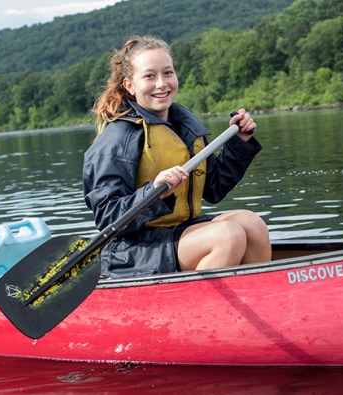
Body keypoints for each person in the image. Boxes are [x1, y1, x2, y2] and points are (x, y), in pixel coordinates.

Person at [83, 35, 271, 278]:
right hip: (130, 250)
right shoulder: (116, 139)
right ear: (130, 85)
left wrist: (239, 143)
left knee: (251, 224)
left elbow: (214, 188)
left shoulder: (183, 125)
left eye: (168, 73)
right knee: (228, 236)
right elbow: (108, 218)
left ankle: (257, 303)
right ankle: (197, 311)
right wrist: (154, 192)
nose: (161, 83)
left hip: (177, 232)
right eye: (149, 76)